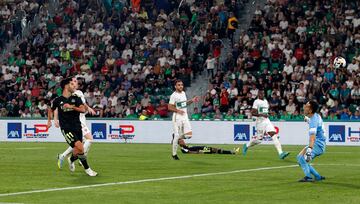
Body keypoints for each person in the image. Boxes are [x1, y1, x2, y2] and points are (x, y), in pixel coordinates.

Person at [47, 77, 97, 176]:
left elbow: (83, 108)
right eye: (72, 83)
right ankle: (87, 169)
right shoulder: (58, 100)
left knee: (79, 149)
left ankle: (67, 157)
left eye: (74, 83)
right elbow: (52, 109)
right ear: (66, 86)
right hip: (66, 128)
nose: (74, 85)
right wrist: (51, 120)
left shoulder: (76, 97)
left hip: (78, 125)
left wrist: (72, 107)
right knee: (81, 145)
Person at [237, 89, 290, 159]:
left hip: (267, 121)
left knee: (274, 135)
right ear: (258, 94)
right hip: (260, 122)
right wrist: (261, 115)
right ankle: (246, 145)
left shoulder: (265, 101)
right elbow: (253, 113)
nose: (262, 95)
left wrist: (270, 113)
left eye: (263, 93)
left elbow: (265, 111)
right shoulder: (256, 102)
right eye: (260, 93)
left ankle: (281, 153)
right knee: (259, 140)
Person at [168, 80, 199, 160]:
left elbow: (184, 104)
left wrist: (192, 100)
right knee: (178, 135)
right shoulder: (173, 95)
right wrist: (178, 110)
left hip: (185, 116)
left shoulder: (183, 93)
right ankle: (174, 154)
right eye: (179, 85)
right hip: (177, 117)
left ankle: (176, 137)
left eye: (181, 85)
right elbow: (169, 107)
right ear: (175, 86)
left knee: (189, 135)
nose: (181, 86)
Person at [297, 101, 326, 182]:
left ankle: (308, 177)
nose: (304, 107)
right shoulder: (316, 116)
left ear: (310, 110)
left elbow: (312, 137)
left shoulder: (313, 121)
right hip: (319, 143)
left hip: (317, 144)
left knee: (301, 158)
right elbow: (317, 124)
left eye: (306, 106)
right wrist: (308, 120)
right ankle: (317, 176)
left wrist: (309, 149)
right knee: (300, 158)